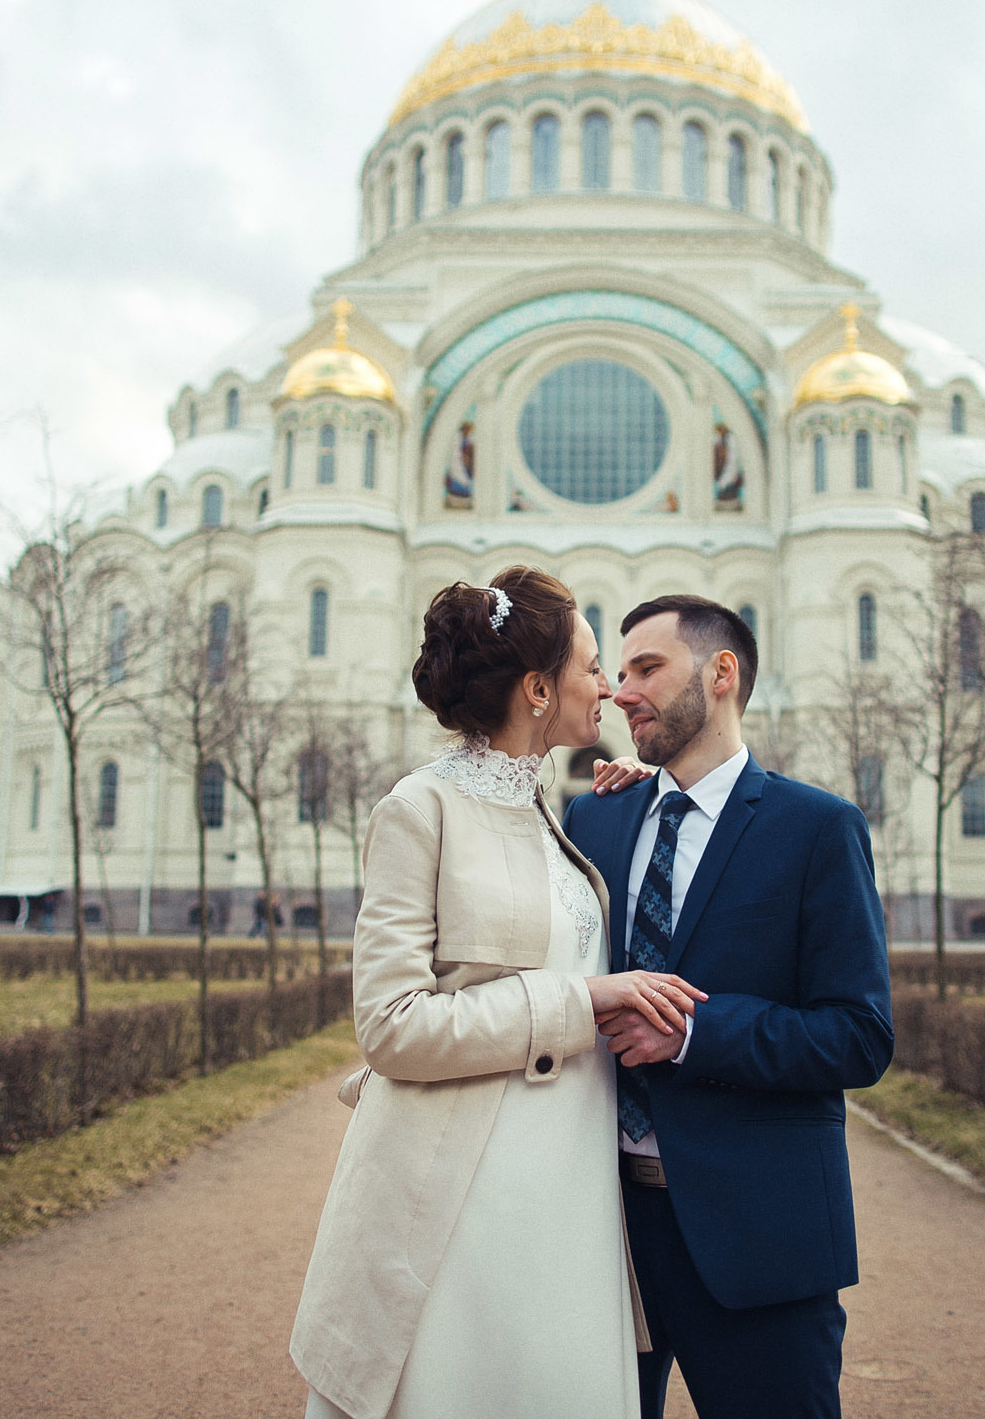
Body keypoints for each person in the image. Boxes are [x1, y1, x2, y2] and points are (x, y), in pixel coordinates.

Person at [292, 567, 701, 1419]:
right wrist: (581, 1003)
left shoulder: (558, 814)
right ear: (538, 688)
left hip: (573, 1185)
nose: (611, 687)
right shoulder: (420, 809)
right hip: (464, 1190)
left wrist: (640, 795)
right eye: (593, 666)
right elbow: (392, 1027)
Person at [564, 595, 895, 1419]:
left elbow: (859, 1037)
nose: (619, 691)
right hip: (598, 1234)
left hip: (760, 1237)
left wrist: (690, 1034)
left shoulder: (818, 829)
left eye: (646, 669)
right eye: (618, 670)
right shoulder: (594, 818)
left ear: (721, 674)